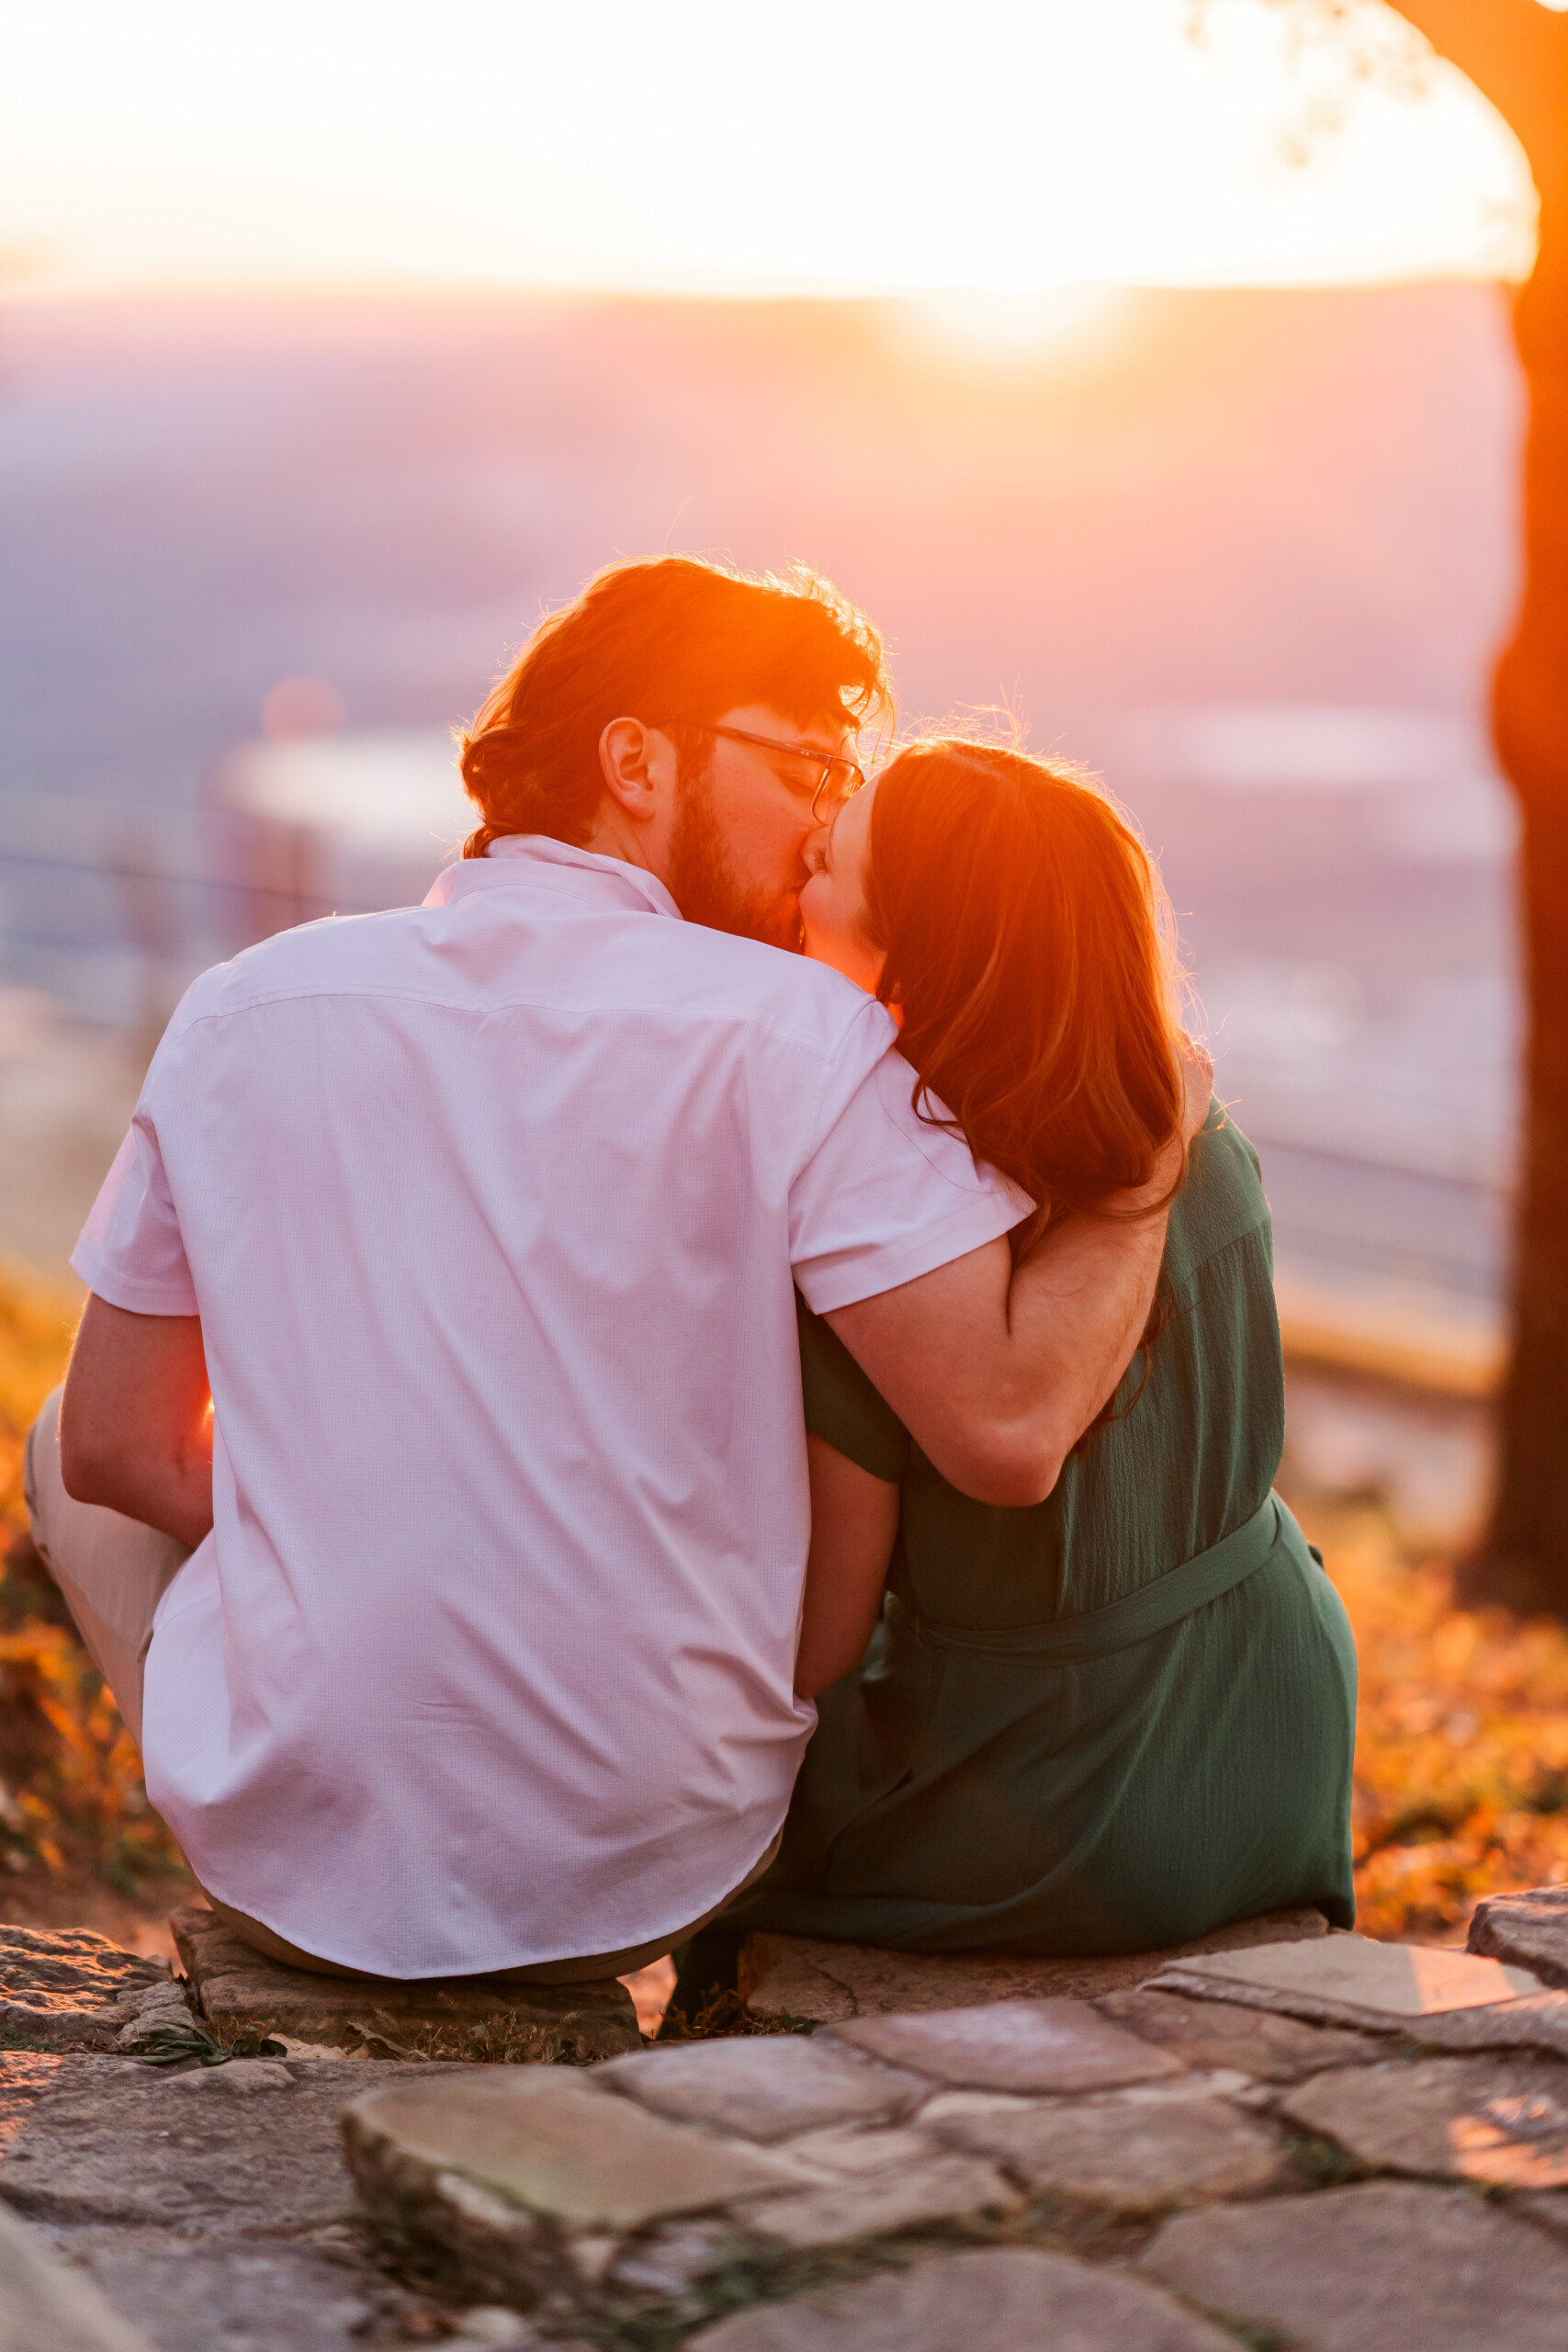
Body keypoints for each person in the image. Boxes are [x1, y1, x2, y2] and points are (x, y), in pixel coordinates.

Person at [26, 559, 1207, 1987]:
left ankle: (307, 1783)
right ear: (636, 760)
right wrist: (1143, 1185)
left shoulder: (244, 1010)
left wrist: (347, 1522)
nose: (826, 827)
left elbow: (118, 1448)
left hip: (295, 1871)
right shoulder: (802, 1039)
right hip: (652, 1864)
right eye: (807, 768)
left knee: (50, 1441)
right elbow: (1008, 1425)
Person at [722, 735, 1357, 1962]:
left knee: (735, 1885)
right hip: (1277, 1700)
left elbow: (820, 1638)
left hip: (1073, 1790)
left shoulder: (887, 1230)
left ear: (916, 952)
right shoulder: (1197, 1134)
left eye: (827, 866)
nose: (797, 876)